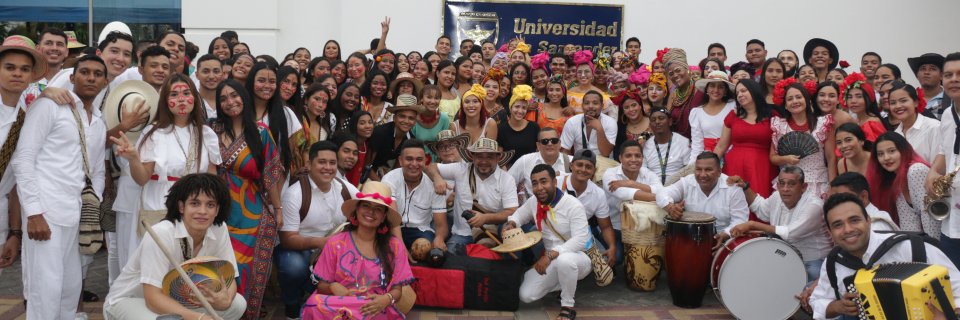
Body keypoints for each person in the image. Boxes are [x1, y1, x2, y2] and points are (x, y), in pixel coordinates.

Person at [13, 55, 108, 319]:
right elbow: (24, 158)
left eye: (97, 74)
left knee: (70, 287)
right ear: (72, 77)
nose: (91, 78)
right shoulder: (51, 107)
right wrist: (33, 212)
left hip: (77, 214)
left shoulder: (98, 121)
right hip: (45, 211)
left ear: (105, 81)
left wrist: (92, 202)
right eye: (85, 72)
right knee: (45, 287)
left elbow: (97, 171)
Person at [103, 173, 246, 320]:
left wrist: (225, 300)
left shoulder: (219, 228)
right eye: (195, 203)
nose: (202, 211)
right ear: (181, 206)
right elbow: (152, 298)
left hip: (179, 299)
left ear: (217, 210)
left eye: (210, 205)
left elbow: (229, 278)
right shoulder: (162, 233)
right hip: (132, 300)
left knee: (237, 304)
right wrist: (199, 318)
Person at [111, 73, 221, 252]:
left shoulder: (206, 134)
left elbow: (212, 180)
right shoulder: (154, 134)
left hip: (194, 208)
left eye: (186, 93)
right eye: (174, 95)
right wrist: (133, 159)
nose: (181, 99)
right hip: (159, 204)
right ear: (165, 101)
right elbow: (142, 179)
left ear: (195, 97)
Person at [807, 193, 960, 319]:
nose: (847, 229)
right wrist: (837, 306)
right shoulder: (834, 262)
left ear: (868, 221)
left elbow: (958, 288)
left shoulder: (912, 247)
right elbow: (817, 301)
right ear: (829, 232)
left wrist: (949, 315)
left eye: (854, 220)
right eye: (838, 225)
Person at [212, 79, 284, 318]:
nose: (230, 102)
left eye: (234, 95)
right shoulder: (212, 131)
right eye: (223, 98)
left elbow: (271, 174)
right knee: (218, 266)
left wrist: (278, 209)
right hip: (215, 213)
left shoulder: (261, 133)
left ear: (244, 97)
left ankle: (245, 313)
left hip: (250, 215)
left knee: (244, 269)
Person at [302, 181, 414, 319]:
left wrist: (387, 298)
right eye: (366, 205)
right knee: (314, 303)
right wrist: (333, 287)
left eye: (378, 209)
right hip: (341, 305)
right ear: (357, 209)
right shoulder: (336, 243)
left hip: (375, 306)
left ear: (384, 216)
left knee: (375, 311)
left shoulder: (394, 246)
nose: (371, 212)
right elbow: (322, 286)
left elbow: (397, 290)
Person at [276, 141, 358, 318]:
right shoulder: (295, 194)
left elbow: (365, 205)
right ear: (309, 165)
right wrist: (321, 243)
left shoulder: (344, 188)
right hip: (301, 248)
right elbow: (287, 239)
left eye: (332, 163)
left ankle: (324, 300)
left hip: (334, 250)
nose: (327, 167)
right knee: (293, 267)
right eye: (322, 162)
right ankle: (292, 303)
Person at [505, 164, 591, 320]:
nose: (539, 187)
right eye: (535, 183)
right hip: (552, 261)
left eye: (544, 181)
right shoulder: (533, 202)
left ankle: (567, 306)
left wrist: (550, 255)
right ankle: (565, 282)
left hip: (578, 258)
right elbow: (518, 215)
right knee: (526, 295)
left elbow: (580, 240)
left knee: (565, 261)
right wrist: (511, 224)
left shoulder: (573, 205)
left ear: (554, 182)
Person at [728, 167, 831, 282]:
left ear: (803, 187)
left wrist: (752, 225)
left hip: (812, 262)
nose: (785, 189)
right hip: (784, 257)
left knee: (810, 291)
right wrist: (745, 187)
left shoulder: (814, 206)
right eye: (781, 184)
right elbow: (761, 208)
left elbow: (790, 233)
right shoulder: (777, 196)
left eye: (791, 184)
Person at [0, 35, 48, 277]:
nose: (17, 74)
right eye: (9, 67)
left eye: (24, 69)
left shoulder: (28, 115)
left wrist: (14, 233)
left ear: (31, 76)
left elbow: (18, 181)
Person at [426, 138, 518, 255]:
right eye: (479, 157)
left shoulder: (506, 179)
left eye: (489, 157)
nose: (484, 161)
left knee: (488, 264)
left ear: (497, 158)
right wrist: (437, 178)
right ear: (472, 157)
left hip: (490, 233)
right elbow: (431, 167)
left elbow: (512, 211)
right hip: (462, 234)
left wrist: (485, 218)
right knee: (450, 261)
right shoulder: (461, 169)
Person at [656, 152, 748, 249]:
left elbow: (740, 220)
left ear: (719, 171)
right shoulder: (687, 182)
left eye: (708, 169)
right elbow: (661, 193)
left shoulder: (732, 188)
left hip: (725, 243)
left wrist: (725, 234)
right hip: (690, 241)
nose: (702, 174)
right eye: (698, 169)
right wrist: (670, 208)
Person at [770, 80, 836, 198]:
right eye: (790, 99)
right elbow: (773, 157)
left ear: (807, 100)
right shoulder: (780, 126)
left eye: (798, 97)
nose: (795, 101)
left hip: (817, 180)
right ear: (785, 104)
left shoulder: (822, 124)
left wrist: (832, 186)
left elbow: (831, 158)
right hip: (788, 184)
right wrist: (786, 158)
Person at [714, 79, 777, 198]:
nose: (740, 95)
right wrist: (710, 165)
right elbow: (721, 146)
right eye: (737, 93)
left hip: (762, 167)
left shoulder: (772, 115)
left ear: (754, 91)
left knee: (761, 202)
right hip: (734, 166)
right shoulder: (733, 115)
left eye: (744, 91)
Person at [381, 139, 448, 251]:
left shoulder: (434, 185)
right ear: (400, 161)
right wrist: (401, 247)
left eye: (419, 159)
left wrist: (439, 238)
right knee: (390, 250)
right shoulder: (389, 179)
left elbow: (441, 225)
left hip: (420, 231)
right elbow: (392, 218)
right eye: (409, 159)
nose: (414, 164)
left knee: (427, 249)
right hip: (392, 228)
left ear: (425, 161)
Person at [602, 140, 663, 262]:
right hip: (616, 228)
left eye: (638, 156)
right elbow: (624, 194)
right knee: (618, 259)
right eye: (628, 156)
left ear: (642, 158)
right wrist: (659, 197)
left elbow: (660, 190)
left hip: (642, 228)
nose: (634, 159)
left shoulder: (648, 174)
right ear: (620, 158)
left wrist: (631, 183)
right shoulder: (610, 174)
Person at [868, 132, 938, 237]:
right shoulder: (896, 179)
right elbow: (908, 224)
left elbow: (931, 217)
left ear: (903, 151)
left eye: (891, 151)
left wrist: (931, 248)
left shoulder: (916, 170)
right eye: (880, 154)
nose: (886, 157)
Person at [927, 52, 960, 269]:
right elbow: (943, 149)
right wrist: (933, 172)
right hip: (952, 219)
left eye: (959, 74)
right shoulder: (947, 114)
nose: (954, 79)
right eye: (948, 75)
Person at [560, 149, 617, 266]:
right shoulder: (557, 182)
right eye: (579, 165)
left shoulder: (598, 193)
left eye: (588, 167)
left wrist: (612, 247)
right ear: (571, 166)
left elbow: (605, 226)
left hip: (580, 234)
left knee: (606, 262)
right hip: (555, 231)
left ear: (594, 171)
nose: (583, 170)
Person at [368, 94, 421, 179]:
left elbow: (397, 170)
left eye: (411, 118)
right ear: (394, 118)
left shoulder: (411, 140)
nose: (406, 121)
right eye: (402, 116)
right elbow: (367, 166)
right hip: (369, 177)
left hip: (390, 178)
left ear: (415, 121)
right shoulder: (379, 133)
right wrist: (382, 185)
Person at [509, 127, 571, 198]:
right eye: (545, 141)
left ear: (559, 144)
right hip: (532, 207)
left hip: (563, 207)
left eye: (554, 140)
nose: (550, 144)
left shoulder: (572, 162)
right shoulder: (525, 161)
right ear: (538, 145)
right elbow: (508, 183)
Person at [689, 71, 736, 160]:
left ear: (726, 90)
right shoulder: (696, 112)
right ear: (706, 89)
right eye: (712, 86)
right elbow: (697, 145)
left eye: (721, 87)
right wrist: (693, 166)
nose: (716, 90)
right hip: (707, 158)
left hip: (731, 155)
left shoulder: (733, 107)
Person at [828, 172, 897, 231]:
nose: (836, 204)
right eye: (833, 199)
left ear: (863, 197)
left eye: (843, 198)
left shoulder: (877, 226)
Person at [890, 81, 940, 163]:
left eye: (903, 101)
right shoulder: (895, 134)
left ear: (916, 102)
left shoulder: (933, 127)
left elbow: (939, 165)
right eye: (893, 103)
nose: (898, 106)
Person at [662, 48, 706, 139]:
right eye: (671, 74)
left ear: (687, 68)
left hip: (699, 144)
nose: (675, 75)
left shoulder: (700, 90)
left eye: (678, 70)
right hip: (679, 146)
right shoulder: (673, 96)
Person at [560, 90, 617, 157]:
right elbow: (565, 150)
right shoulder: (572, 122)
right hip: (579, 162)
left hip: (604, 163)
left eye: (595, 103)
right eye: (586, 103)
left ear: (602, 106)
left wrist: (599, 129)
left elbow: (606, 152)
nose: (590, 106)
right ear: (582, 106)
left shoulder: (610, 122)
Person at [644, 107, 692, 184]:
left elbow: (689, 170)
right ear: (650, 125)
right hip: (652, 187)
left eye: (661, 118)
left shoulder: (683, 142)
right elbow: (643, 173)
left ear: (670, 122)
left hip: (677, 186)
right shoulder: (645, 145)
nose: (657, 122)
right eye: (653, 120)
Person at [497, 85, 540, 166]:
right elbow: (500, 157)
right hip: (509, 172)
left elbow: (538, 154)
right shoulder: (501, 128)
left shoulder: (534, 127)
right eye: (517, 106)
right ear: (510, 108)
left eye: (524, 108)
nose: (520, 111)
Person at [842, 72, 886, 143]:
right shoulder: (857, 121)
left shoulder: (872, 123)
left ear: (869, 98)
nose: (853, 101)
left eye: (859, 96)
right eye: (849, 97)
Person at [195, 54, 224, 120]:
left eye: (216, 71)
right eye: (206, 72)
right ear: (197, 75)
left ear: (223, 74)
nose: (211, 76)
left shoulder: (230, 101)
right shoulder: (191, 100)